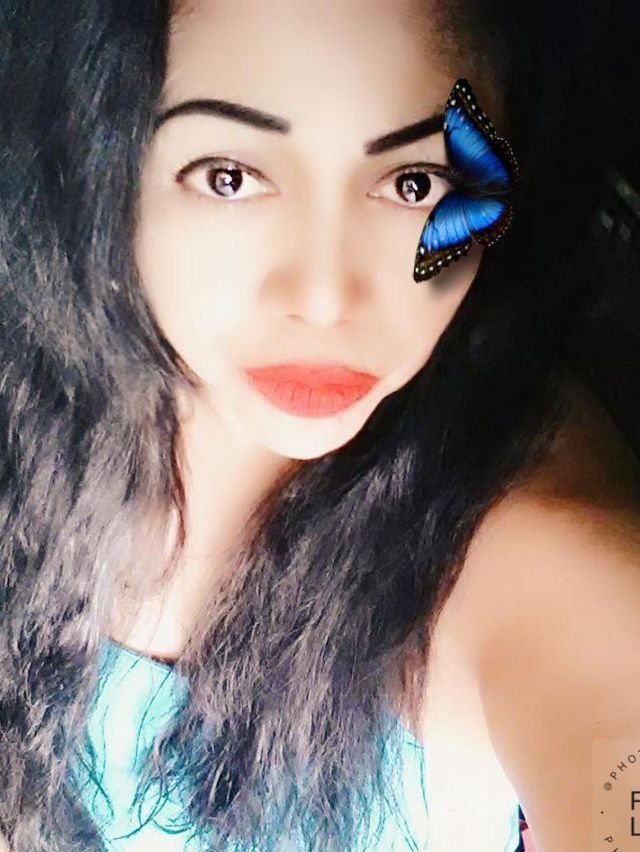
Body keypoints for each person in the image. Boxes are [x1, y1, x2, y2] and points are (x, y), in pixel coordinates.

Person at [0, 0, 638, 850]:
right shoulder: (30, 397)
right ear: (95, 159)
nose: (326, 298)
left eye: (415, 184)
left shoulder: (529, 550)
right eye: (229, 177)